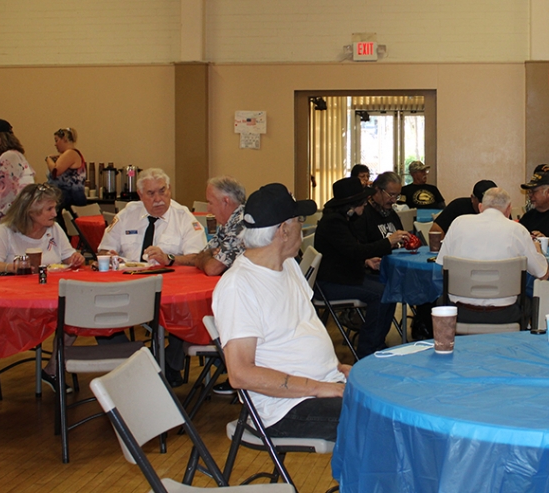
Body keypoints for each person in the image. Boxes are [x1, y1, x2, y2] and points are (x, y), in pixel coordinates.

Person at [213, 183, 349, 441]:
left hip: (321, 387)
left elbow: (300, 332)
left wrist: (336, 368)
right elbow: (240, 374)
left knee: (396, 397)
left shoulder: (288, 266)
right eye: (299, 219)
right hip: (284, 408)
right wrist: (319, 387)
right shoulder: (238, 286)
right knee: (385, 420)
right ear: (283, 231)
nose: (304, 225)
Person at [97, 168, 208, 385]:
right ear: (140, 195)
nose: (158, 199)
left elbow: (198, 257)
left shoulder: (183, 216)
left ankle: (170, 364)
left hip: (172, 291)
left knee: (190, 312)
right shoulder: (127, 215)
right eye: (150, 194)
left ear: (169, 190)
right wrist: (110, 256)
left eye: (162, 191)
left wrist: (170, 258)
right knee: (98, 311)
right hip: (128, 288)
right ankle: (133, 363)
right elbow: (103, 250)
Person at [0, 183, 85, 396]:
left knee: (75, 315)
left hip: (50, 295)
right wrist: (14, 267)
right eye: (49, 209)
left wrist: (75, 259)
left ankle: (53, 368)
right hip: (15, 298)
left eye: (54, 208)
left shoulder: (53, 229)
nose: (55, 213)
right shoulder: (6, 231)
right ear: (30, 211)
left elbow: (67, 256)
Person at [314, 177, 409, 358]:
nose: (366, 204)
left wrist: (366, 261)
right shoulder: (333, 223)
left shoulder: (341, 219)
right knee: (381, 294)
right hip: (330, 283)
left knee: (388, 286)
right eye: (363, 202)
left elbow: (346, 252)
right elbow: (356, 250)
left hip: (343, 275)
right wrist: (387, 242)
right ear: (352, 204)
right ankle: (369, 350)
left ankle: (377, 342)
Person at [437, 187, 549, 324]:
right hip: (505, 314)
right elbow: (543, 274)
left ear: (480, 207)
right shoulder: (517, 230)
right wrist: (538, 250)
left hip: (459, 312)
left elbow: (444, 269)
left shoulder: (458, 223)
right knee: (528, 301)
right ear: (509, 209)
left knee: (439, 300)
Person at [173, 176, 246, 276]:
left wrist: (209, 256)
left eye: (210, 203)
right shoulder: (228, 223)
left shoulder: (241, 224)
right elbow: (199, 256)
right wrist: (210, 254)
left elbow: (212, 269)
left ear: (226, 201)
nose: (208, 209)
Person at [430, 179, 497, 241]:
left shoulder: (502, 208)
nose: (485, 205)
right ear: (472, 198)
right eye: (482, 201)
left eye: (491, 201)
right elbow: (435, 230)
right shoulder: (458, 206)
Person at [45, 127, 86, 211]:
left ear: (64, 139)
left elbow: (55, 172)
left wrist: (48, 159)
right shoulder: (68, 155)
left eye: (56, 140)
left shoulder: (70, 153)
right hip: (65, 198)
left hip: (69, 199)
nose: (55, 144)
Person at [358, 172, 404, 243]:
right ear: (377, 190)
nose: (394, 200)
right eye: (391, 195)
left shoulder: (391, 213)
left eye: (397, 196)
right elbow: (361, 249)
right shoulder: (363, 214)